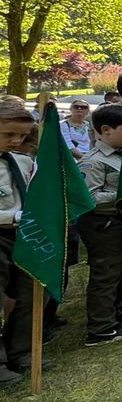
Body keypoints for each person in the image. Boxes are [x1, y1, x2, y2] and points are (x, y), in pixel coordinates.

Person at [77, 104, 122, 346]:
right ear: (105, 130)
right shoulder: (93, 161)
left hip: (121, 220)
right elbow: (88, 199)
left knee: (120, 273)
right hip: (102, 224)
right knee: (106, 275)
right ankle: (101, 327)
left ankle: (118, 316)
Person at [0, 97, 36, 384]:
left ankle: (22, 351)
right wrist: (13, 217)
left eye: (22, 136)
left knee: (29, 293)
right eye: (8, 134)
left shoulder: (23, 162)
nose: (15, 140)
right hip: (2, 232)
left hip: (24, 235)